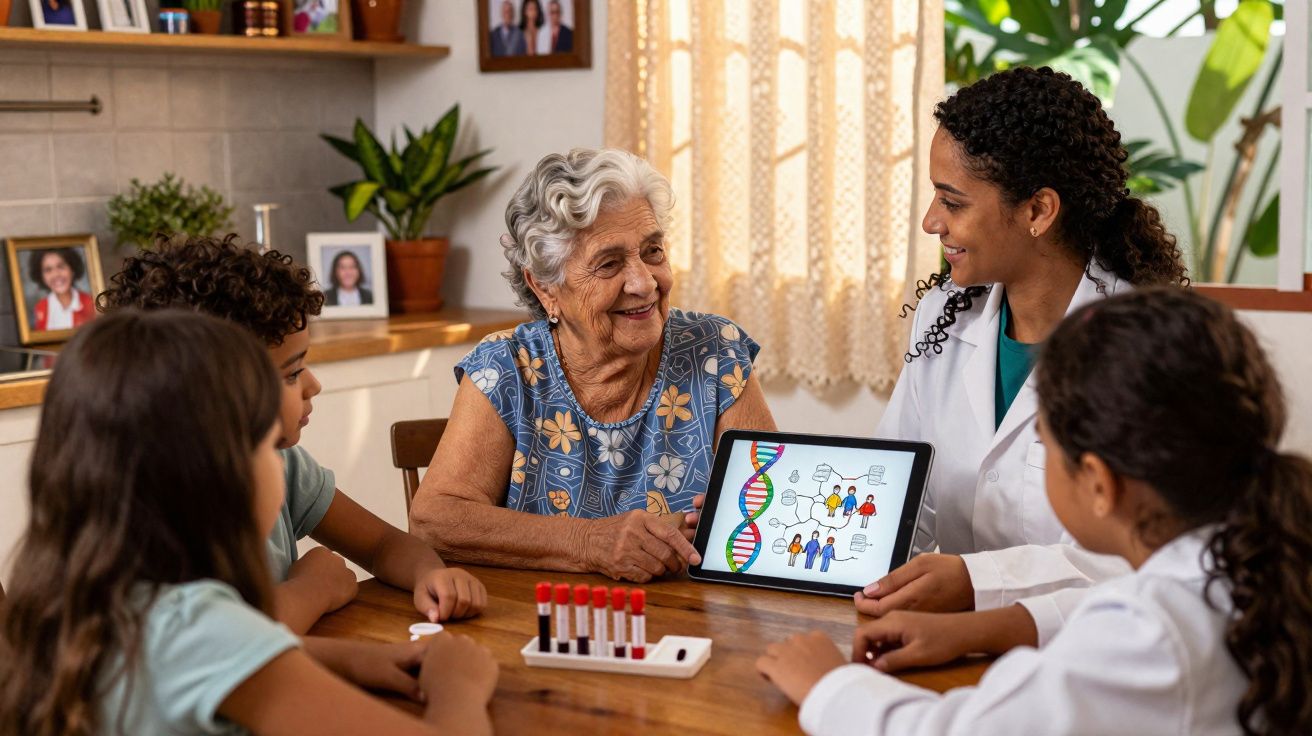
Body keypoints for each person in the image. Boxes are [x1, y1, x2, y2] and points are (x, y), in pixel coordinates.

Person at [756, 288, 1312, 735]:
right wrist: (986, 628)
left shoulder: (1151, 633)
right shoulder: (1252, 560)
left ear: (1097, 482)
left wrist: (828, 685)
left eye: (1043, 440)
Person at [0, 310, 498, 736]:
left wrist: (358, 659)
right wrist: (460, 686)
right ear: (216, 471)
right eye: (264, 442)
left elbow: (215, 660)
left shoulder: (92, 600)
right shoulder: (196, 626)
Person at [855, 67, 1189, 641]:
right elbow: (896, 497)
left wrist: (973, 581)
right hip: (948, 648)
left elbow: (1146, 559)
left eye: (952, 201)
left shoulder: (1148, 349)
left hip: (1093, 659)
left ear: (1038, 211)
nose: (932, 221)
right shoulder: (944, 318)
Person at [408, 148, 775, 583]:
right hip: (542, 626)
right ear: (545, 287)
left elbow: (775, 505)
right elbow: (435, 520)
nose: (644, 283)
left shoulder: (714, 351)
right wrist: (588, 543)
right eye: (609, 263)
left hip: (693, 627)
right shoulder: (506, 368)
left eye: (653, 251)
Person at [98, 235, 487, 635]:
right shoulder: (157, 507)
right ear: (213, 392)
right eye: (291, 373)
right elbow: (233, 646)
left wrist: (430, 574)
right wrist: (314, 588)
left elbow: (382, 544)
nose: (312, 385)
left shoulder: (283, 465)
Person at [28, 248, 95, 332]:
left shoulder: (91, 303)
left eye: (61, 267)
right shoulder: (40, 308)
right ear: (42, 277)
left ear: (72, 269)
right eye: (48, 270)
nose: (56, 274)